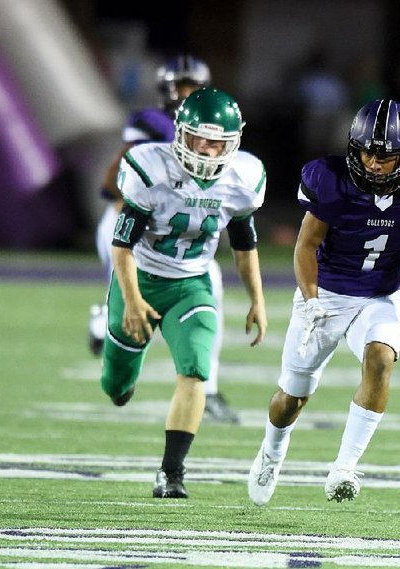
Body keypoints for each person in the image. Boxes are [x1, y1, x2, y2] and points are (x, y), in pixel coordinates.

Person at [247, 98, 400, 505]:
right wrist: (311, 299)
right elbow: (305, 244)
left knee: (381, 359)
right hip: (326, 295)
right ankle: (271, 452)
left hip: (379, 295)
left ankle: (345, 468)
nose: (372, 162)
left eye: (384, 156)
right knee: (291, 399)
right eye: (366, 151)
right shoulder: (330, 181)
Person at [102, 87, 268, 498]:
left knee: (196, 368)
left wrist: (258, 300)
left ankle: (171, 473)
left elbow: (245, 247)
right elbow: (121, 247)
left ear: (234, 143)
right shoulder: (149, 167)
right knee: (115, 387)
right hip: (139, 276)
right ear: (181, 134)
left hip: (192, 285)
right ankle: (123, 377)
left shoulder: (241, 179)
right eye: (199, 139)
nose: (208, 151)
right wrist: (133, 298)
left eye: (218, 142)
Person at [88, 54, 240, 423]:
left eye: (194, 88)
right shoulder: (151, 124)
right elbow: (115, 178)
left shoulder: (216, 127)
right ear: (168, 90)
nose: (188, 95)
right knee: (127, 293)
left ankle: (210, 386)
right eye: (182, 88)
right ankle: (102, 323)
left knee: (208, 289)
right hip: (133, 223)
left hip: (180, 232)